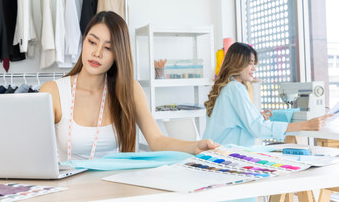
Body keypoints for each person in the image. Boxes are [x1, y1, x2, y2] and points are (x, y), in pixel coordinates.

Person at [40, 11, 218, 162]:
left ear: (119, 54)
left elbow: (156, 140)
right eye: (92, 42)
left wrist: (195, 146)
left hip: (117, 191)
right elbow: (34, 153)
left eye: (108, 48)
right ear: (84, 41)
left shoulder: (129, 90)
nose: (97, 53)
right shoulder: (52, 92)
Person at [203, 42, 333, 147]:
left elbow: (229, 122)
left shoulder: (226, 87)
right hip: (225, 154)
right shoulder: (235, 88)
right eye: (250, 63)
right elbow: (258, 128)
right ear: (237, 63)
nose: (254, 68)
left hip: (214, 150)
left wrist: (255, 116)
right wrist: (306, 125)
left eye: (254, 63)